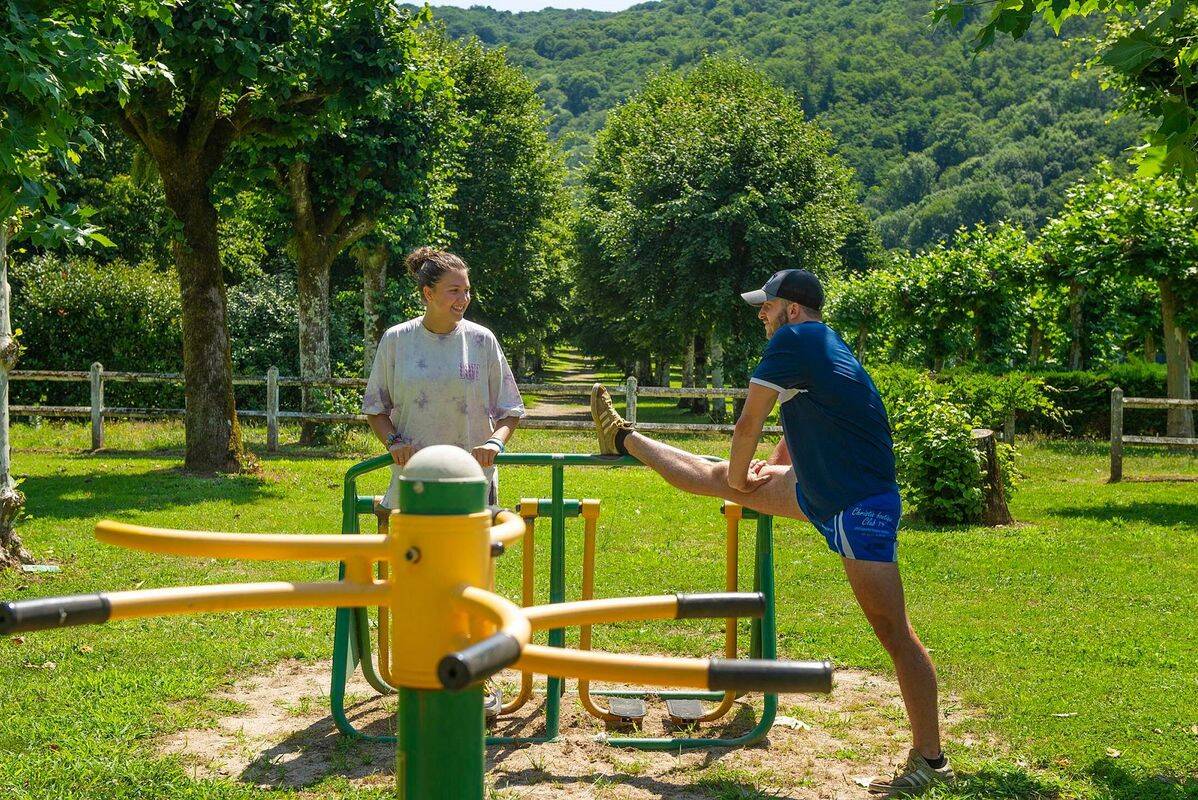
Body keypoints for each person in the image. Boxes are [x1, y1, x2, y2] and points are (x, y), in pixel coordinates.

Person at [589, 269, 952, 796]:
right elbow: (800, 416)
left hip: (856, 506)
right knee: (716, 476)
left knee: (895, 633)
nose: (762, 313)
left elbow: (747, 423)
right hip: (821, 489)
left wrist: (741, 479)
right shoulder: (820, 343)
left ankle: (931, 761)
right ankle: (623, 437)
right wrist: (767, 469)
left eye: (768, 304)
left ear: (793, 310)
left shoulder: (793, 340)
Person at [363, 247, 526, 509]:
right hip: (414, 480)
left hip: (472, 480)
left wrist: (495, 443)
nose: (464, 299)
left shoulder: (482, 340)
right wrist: (394, 443)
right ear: (428, 293)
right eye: (454, 290)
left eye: (467, 290)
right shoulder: (396, 340)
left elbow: (511, 409)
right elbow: (375, 409)